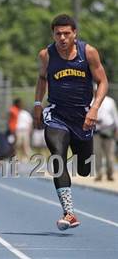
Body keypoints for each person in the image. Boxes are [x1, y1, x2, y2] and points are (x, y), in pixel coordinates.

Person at [34, 14, 108, 231]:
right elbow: (41, 79)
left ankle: (82, 156)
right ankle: (69, 212)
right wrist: (38, 102)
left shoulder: (88, 52)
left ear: (75, 34)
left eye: (67, 33)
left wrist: (94, 108)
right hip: (56, 115)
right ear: (53, 35)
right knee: (57, 156)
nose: (63, 38)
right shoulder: (47, 55)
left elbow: (103, 82)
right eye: (58, 34)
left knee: (85, 169)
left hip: (82, 118)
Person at [93, 93, 118, 181]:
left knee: (110, 154)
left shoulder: (110, 101)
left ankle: (110, 174)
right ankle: (99, 174)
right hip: (96, 131)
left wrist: (116, 129)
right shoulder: (91, 101)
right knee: (97, 153)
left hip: (108, 130)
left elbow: (115, 116)